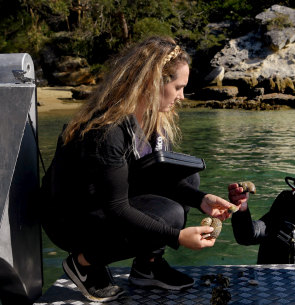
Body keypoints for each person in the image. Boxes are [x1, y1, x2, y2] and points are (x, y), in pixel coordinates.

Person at [40, 36, 236, 302]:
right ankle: (84, 263)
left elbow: (155, 179)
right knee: (169, 214)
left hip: (104, 203)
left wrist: (200, 200)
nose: (181, 96)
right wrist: (176, 236)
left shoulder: (153, 119)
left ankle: (148, 266)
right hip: (71, 218)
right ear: (152, 83)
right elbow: (117, 208)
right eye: (178, 87)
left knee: (187, 175)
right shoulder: (109, 128)